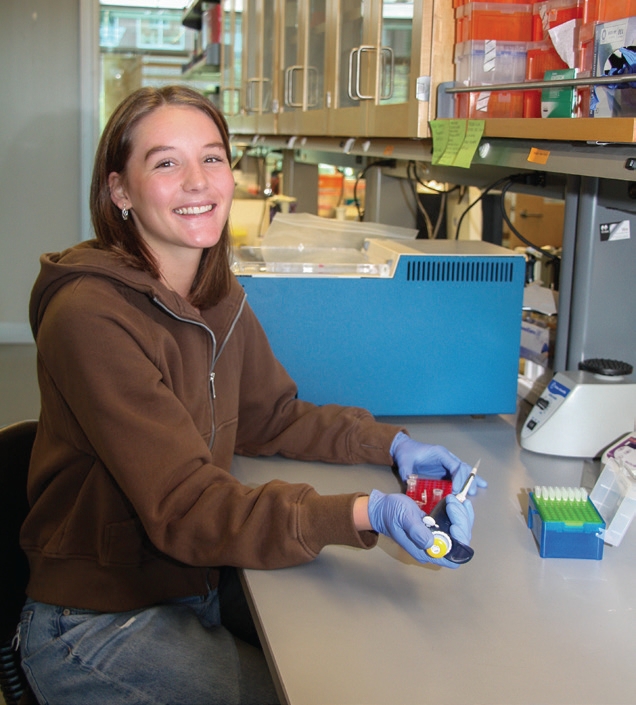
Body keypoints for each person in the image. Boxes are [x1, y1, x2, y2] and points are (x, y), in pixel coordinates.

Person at [18, 85, 486, 705]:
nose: (197, 181)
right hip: (99, 617)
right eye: (166, 162)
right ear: (119, 192)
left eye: (212, 158)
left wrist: (392, 444)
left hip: (192, 580)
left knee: (361, 659)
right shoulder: (90, 317)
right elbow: (186, 503)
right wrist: (361, 514)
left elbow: (272, 416)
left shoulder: (216, 293)